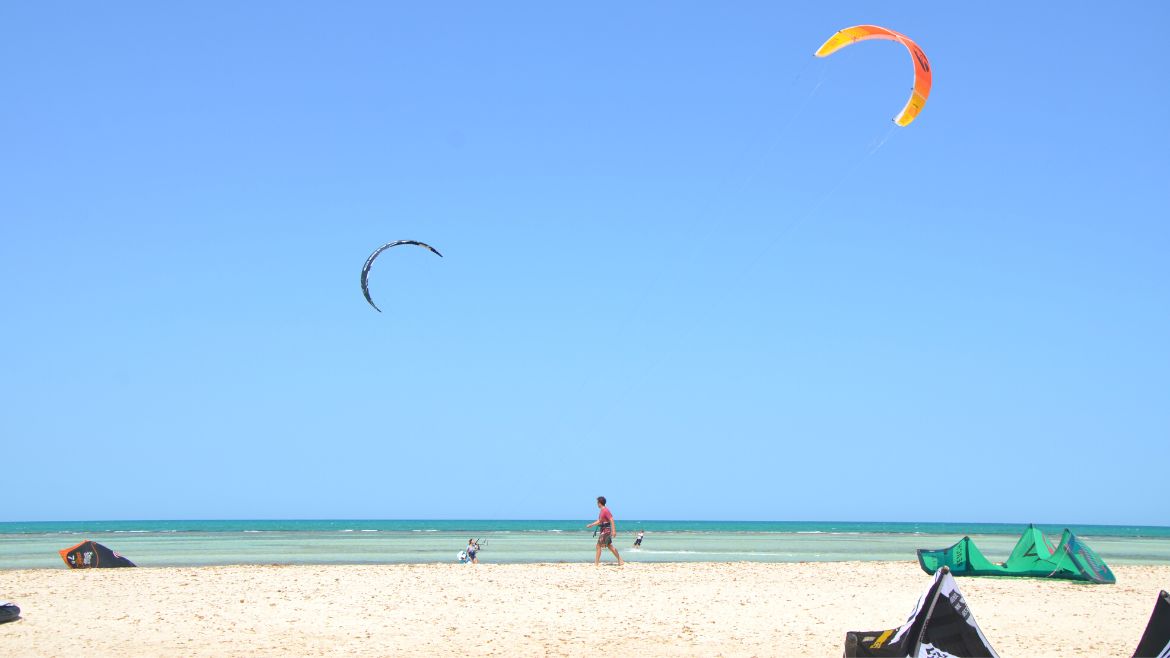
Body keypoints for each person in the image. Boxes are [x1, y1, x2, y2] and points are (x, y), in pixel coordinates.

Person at [585, 496, 623, 566]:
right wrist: (591, 524)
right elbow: (600, 521)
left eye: (597, 502)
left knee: (598, 546)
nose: (597, 504)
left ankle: (596, 563)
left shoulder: (605, 510)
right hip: (604, 530)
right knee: (609, 546)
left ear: (600, 503)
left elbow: (611, 519)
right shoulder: (602, 511)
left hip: (606, 530)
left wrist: (614, 531)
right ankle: (620, 560)